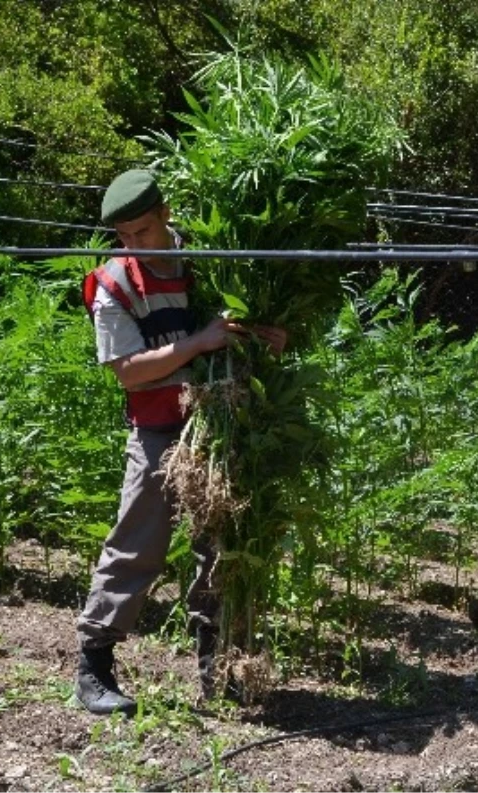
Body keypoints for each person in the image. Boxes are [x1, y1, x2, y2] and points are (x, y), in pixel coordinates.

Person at [75, 169, 286, 716]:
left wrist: (269, 335)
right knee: (136, 542)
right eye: (124, 236)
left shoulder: (212, 259)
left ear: (166, 214)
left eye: (143, 232)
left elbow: (245, 329)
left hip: (223, 429)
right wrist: (196, 343)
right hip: (158, 431)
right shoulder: (115, 284)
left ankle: (218, 672)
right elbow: (128, 373)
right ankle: (93, 669)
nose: (134, 245)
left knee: (220, 550)